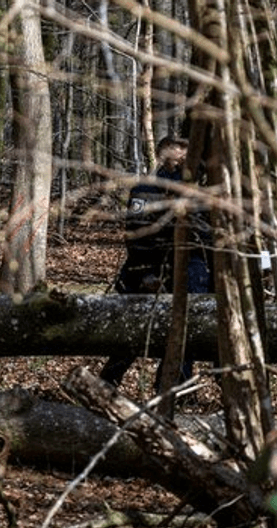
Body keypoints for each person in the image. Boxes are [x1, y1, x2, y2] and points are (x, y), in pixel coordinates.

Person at [99, 136, 213, 387]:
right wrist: (145, 274)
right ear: (164, 159)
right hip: (151, 266)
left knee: (188, 326)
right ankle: (109, 380)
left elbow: (209, 235)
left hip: (193, 267)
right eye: (176, 159)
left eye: (184, 158)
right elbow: (137, 234)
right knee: (139, 329)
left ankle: (173, 386)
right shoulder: (146, 189)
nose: (180, 163)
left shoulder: (201, 190)